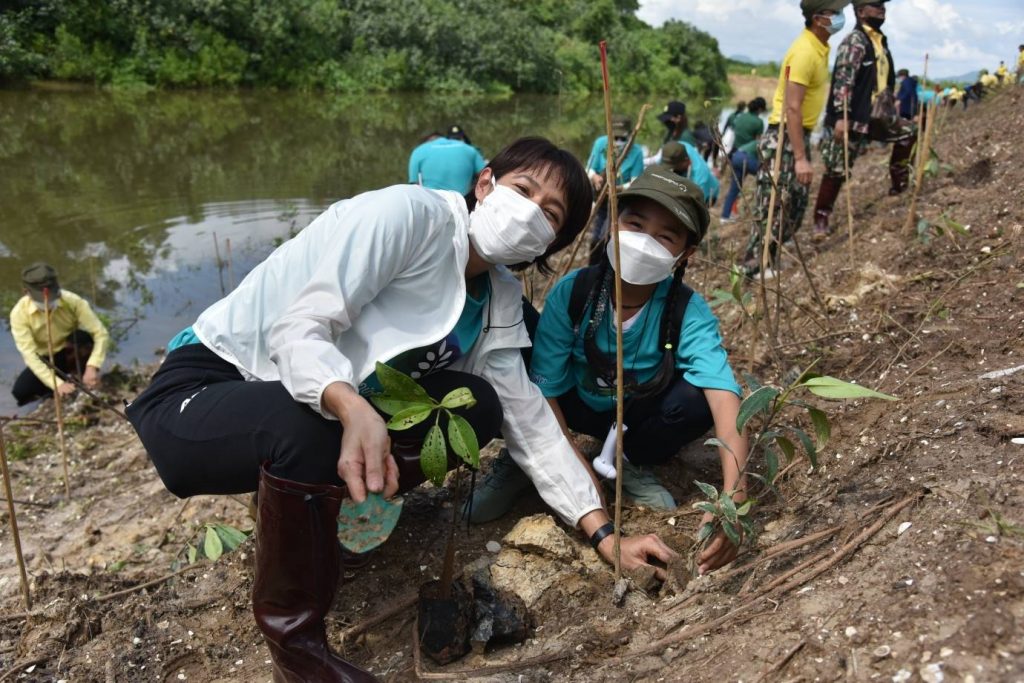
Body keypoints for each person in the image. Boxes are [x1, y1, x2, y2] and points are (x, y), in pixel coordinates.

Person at [124, 137, 676, 682]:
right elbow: (298, 328)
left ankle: (339, 519)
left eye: (551, 214)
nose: (530, 213)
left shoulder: (498, 301)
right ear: (485, 183)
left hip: (313, 414)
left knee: (476, 406)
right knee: (308, 426)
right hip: (208, 385)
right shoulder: (408, 216)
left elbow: (528, 421)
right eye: (522, 189)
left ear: (551, 243)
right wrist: (349, 406)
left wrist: (606, 535)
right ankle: (297, 653)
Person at [467, 168, 748, 575]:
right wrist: (571, 460)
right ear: (613, 225)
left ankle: (629, 460)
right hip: (576, 402)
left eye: (665, 236)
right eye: (635, 224)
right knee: (518, 369)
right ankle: (523, 459)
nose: (644, 241)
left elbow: (725, 396)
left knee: (695, 402)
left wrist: (734, 495)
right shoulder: (574, 292)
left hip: (636, 415)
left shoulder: (687, 310)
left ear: (685, 254)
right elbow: (543, 387)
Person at [743, 0, 851, 275]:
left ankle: (771, 256)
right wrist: (800, 157)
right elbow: (792, 107)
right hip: (783, 137)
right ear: (818, 18)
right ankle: (755, 266)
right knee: (773, 204)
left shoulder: (820, 47)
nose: (840, 17)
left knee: (796, 201)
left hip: (797, 135)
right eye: (834, 13)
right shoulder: (804, 51)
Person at [811, 0, 917, 240]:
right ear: (860, 12)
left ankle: (899, 187)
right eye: (875, 5)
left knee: (908, 132)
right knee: (837, 168)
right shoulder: (855, 41)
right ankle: (821, 219)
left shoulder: (880, 41)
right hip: (853, 116)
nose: (882, 9)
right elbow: (843, 80)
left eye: (883, 5)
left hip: (879, 114)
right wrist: (841, 115)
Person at [10, 263, 110, 406]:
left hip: (70, 351)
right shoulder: (19, 314)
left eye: (52, 296)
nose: (48, 302)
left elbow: (100, 333)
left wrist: (92, 366)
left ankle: (82, 375)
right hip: (46, 359)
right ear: (26, 292)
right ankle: (56, 390)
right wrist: (57, 384)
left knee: (83, 339)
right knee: (21, 392)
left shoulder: (72, 301)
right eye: (42, 298)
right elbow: (30, 356)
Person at [585, 114, 645, 264]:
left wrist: (616, 188)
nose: (618, 142)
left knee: (606, 234)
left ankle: (604, 265)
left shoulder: (636, 152)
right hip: (600, 197)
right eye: (615, 138)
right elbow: (590, 168)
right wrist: (594, 177)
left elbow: (634, 182)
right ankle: (592, 265)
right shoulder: (600, 143)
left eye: (622, 139)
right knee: (596, 233)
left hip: (618, 199)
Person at [720, 97, 767, 222]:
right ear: (760, 109)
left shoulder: (740, 117)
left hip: (735, 154)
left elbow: (732, 132)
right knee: (765, 178)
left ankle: (725, 216)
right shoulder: (759, 122)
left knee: (734, 187)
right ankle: (761, 210)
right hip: (748, 154)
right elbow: (759, 143)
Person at [407, 123, 486, 194]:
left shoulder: (418, 151)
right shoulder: (470, 149)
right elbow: (486, 175)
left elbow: (414, 185)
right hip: (463, 203)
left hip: (433, 204)